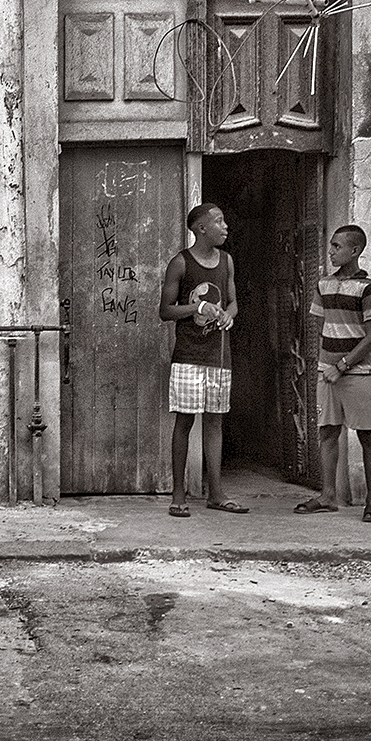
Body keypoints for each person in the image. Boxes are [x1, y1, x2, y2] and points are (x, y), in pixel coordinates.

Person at [158, 202, 247, 518]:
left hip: (220, 356)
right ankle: (179, 494)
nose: (225, 227)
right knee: (184, 421)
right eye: (219, 221)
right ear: (200, 229)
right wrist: (196, 309)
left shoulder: (227, 261)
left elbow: (234, 302)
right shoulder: (180, 264)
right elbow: (165, 311)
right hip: (189, 356)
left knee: (214, 422)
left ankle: (217, 494)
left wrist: (228, 316)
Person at [296, 224, 371, 522]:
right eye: (332, 246)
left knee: (366, 434)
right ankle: (327, 495)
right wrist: (325, 366)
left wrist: (343, 365)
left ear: (355, 250)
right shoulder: (323, 284)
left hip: (355, 371)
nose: (331, 251)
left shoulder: (367, 288)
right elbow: (323, 327)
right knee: (327, 431)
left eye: (337, 246)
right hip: (328, 371)